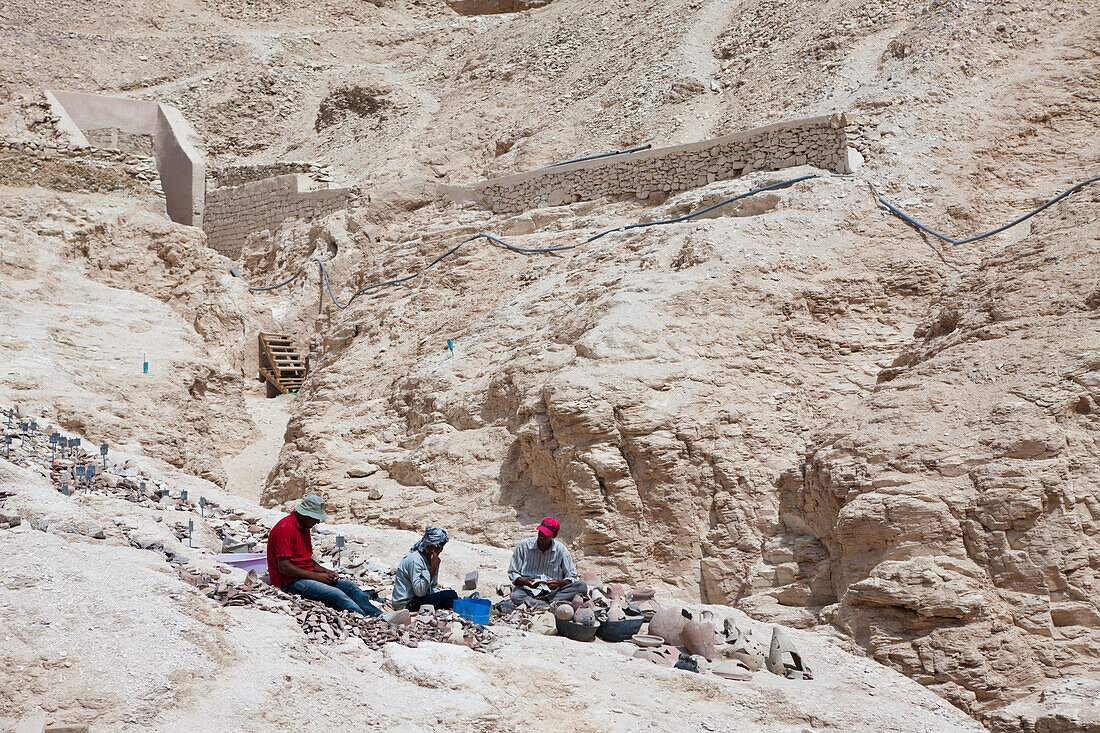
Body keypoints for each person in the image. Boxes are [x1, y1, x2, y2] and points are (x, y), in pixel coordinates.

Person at [266, 495, 382, 617]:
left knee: (350, 587)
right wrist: (317, 576)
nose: (318, 521)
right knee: (337, 595)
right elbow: (284, 566)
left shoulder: (304, 526)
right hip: (289, 582)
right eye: (315, 518)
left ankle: (379, 615)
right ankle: (364, 618)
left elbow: (305, 560)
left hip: (304, 575)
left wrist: (326, 572)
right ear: (305, 514)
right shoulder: (286, 528)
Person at [507, 517, 587, 608]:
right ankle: (547, 604)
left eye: (546, 534)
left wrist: (559, 583)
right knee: (516, 597)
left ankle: (545, 601)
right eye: (541, 531)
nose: (541, 535)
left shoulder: (561, 550)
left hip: (552, 592)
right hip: (528, 590)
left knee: (582, 586)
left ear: (554, 536)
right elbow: (513, 572)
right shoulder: (523, 546)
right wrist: (525, 582)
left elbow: (572, 577)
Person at [392, 527, 459, 611]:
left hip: (419, 598)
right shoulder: (415, 560)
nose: (436, 551)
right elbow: (419, 592)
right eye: (433, 548)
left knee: (452, 596)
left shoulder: (432, 560)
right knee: (451, 596)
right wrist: (432, 568)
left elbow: (432, 587)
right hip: (406, 604)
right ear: (429, 547)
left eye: (439, 548)